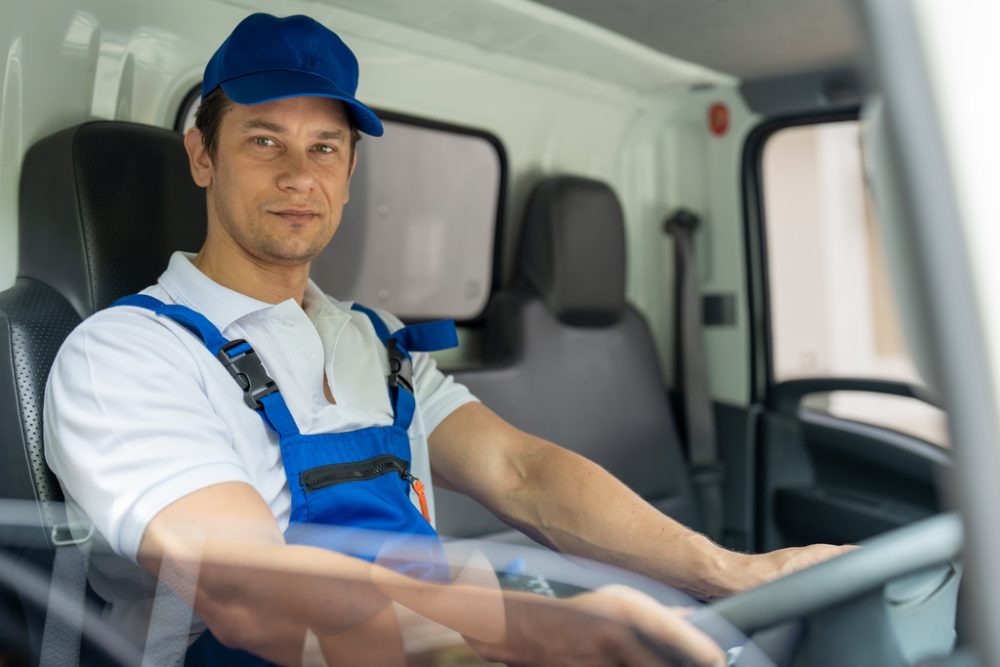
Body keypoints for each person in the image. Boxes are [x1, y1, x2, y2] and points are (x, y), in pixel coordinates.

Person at [43, 12, 849, 667]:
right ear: (201, 154)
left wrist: (729, 571)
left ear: (351, 174)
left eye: (325, 146)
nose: (299, 174)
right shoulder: (127, 355)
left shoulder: (371, 341)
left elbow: (522, 472)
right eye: (264, 139)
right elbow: (251, 593)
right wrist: (533, 632)